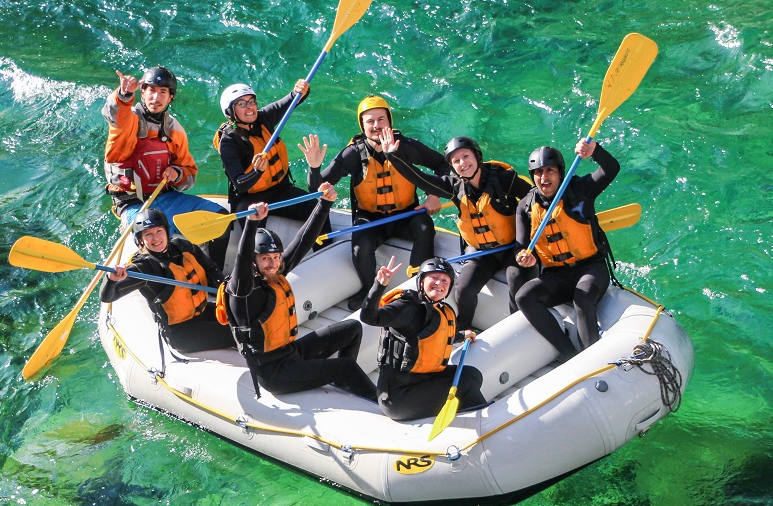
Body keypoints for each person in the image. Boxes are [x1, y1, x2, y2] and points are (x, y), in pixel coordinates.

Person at [224, 183, 377, 401]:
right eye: (265, 258)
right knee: (344, 367)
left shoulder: (275, 272)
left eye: (276, 257)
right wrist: (252, 223)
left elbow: (303, 242)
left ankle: (343, 384)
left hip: (291, 353)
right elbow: (241, 260)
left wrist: (324, 205)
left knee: (352, 329)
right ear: (254, 262)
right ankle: (380, 403)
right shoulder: (243, 291)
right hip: (274, 373)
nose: (273, 263)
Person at [304, 96, 451, 309]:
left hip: (406, 215)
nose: (376, 126)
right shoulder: (353, 154)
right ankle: (368, 290)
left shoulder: (406, 147)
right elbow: (316, 188)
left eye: (381, 119)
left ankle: (417, 290)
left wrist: (433, 194)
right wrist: (314, 168)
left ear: (389, 122)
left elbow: (442, 164)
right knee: (360, 247)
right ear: (362, 126)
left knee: (425, 226)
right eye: (370, 121)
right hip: (370, 218)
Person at [383, 133, 535, 331]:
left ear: (477, 157)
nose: (462, 163)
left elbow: (534, 197)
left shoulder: (504, 178)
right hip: (482, 251)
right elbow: (421, 179)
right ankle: (463, 328)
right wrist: (393, 157)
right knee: (463, 289)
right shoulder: (454, 186)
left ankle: (517, 326)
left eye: (466, 157)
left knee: (516, 278)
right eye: (456, 161)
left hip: (514, 247)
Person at [103, 67, 230, 262]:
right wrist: (124, 94)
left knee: (221, 219)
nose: (156, 97)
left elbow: (190, 174)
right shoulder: (128, 122)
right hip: (133, 203)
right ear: (142, 92)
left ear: (170, 98)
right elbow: (114, 114)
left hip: (166, 197)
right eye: (151, 90)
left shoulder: (174, 130)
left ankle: (214, 276)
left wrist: (177, 174)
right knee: (153, 236)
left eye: (163, 92)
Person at [514, 138, 620, 360]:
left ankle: (594, 359)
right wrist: (525, 258)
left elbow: (611, 169)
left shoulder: (580, 189)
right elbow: (521, 247)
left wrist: (595, 151)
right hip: (556, 275)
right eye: (538, 172)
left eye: (550, 171)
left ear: (560, 172)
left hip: (590, 268)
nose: (544, 177)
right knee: (524, 296)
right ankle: (570, 354)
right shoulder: (525, 206)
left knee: (581, 298)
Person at [360, 256, 486, 422]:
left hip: (424, 379)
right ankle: (485, 423)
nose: (439, 283)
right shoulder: (406, 307)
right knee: (466, 386)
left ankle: (465, 415)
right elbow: (369, 317)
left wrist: (462, 336)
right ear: (421, 281)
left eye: (444, 280)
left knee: (472, 374)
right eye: (433, 278)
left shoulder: (440, 309)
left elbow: (437, 334)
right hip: (398, 397)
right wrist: (379, 285)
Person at [100, 209, 235, 354]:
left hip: (202, 312)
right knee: (240, 332)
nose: (155, 238)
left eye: (159, 231)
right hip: (182, 332)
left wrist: (228, 296)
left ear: (166, 231)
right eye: (148, 234)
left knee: (246, 318)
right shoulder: (144, 268)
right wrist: (111, 279)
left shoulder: (183, 246)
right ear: (140, 240)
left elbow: (211, 269)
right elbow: (107, 297)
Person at [215, 80, 330, 239]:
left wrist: (301, 90)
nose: (250, 107)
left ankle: (324, 248)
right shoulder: (228, 142)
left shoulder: (264, 118)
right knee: (258, 239)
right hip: (250, 199)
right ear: (230, 111)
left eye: (251, 101)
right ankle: (254, 262)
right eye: (242, 104)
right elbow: (240, 184)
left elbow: (294, 99)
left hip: (281, 190)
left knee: (318, 210)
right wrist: (257, 172)